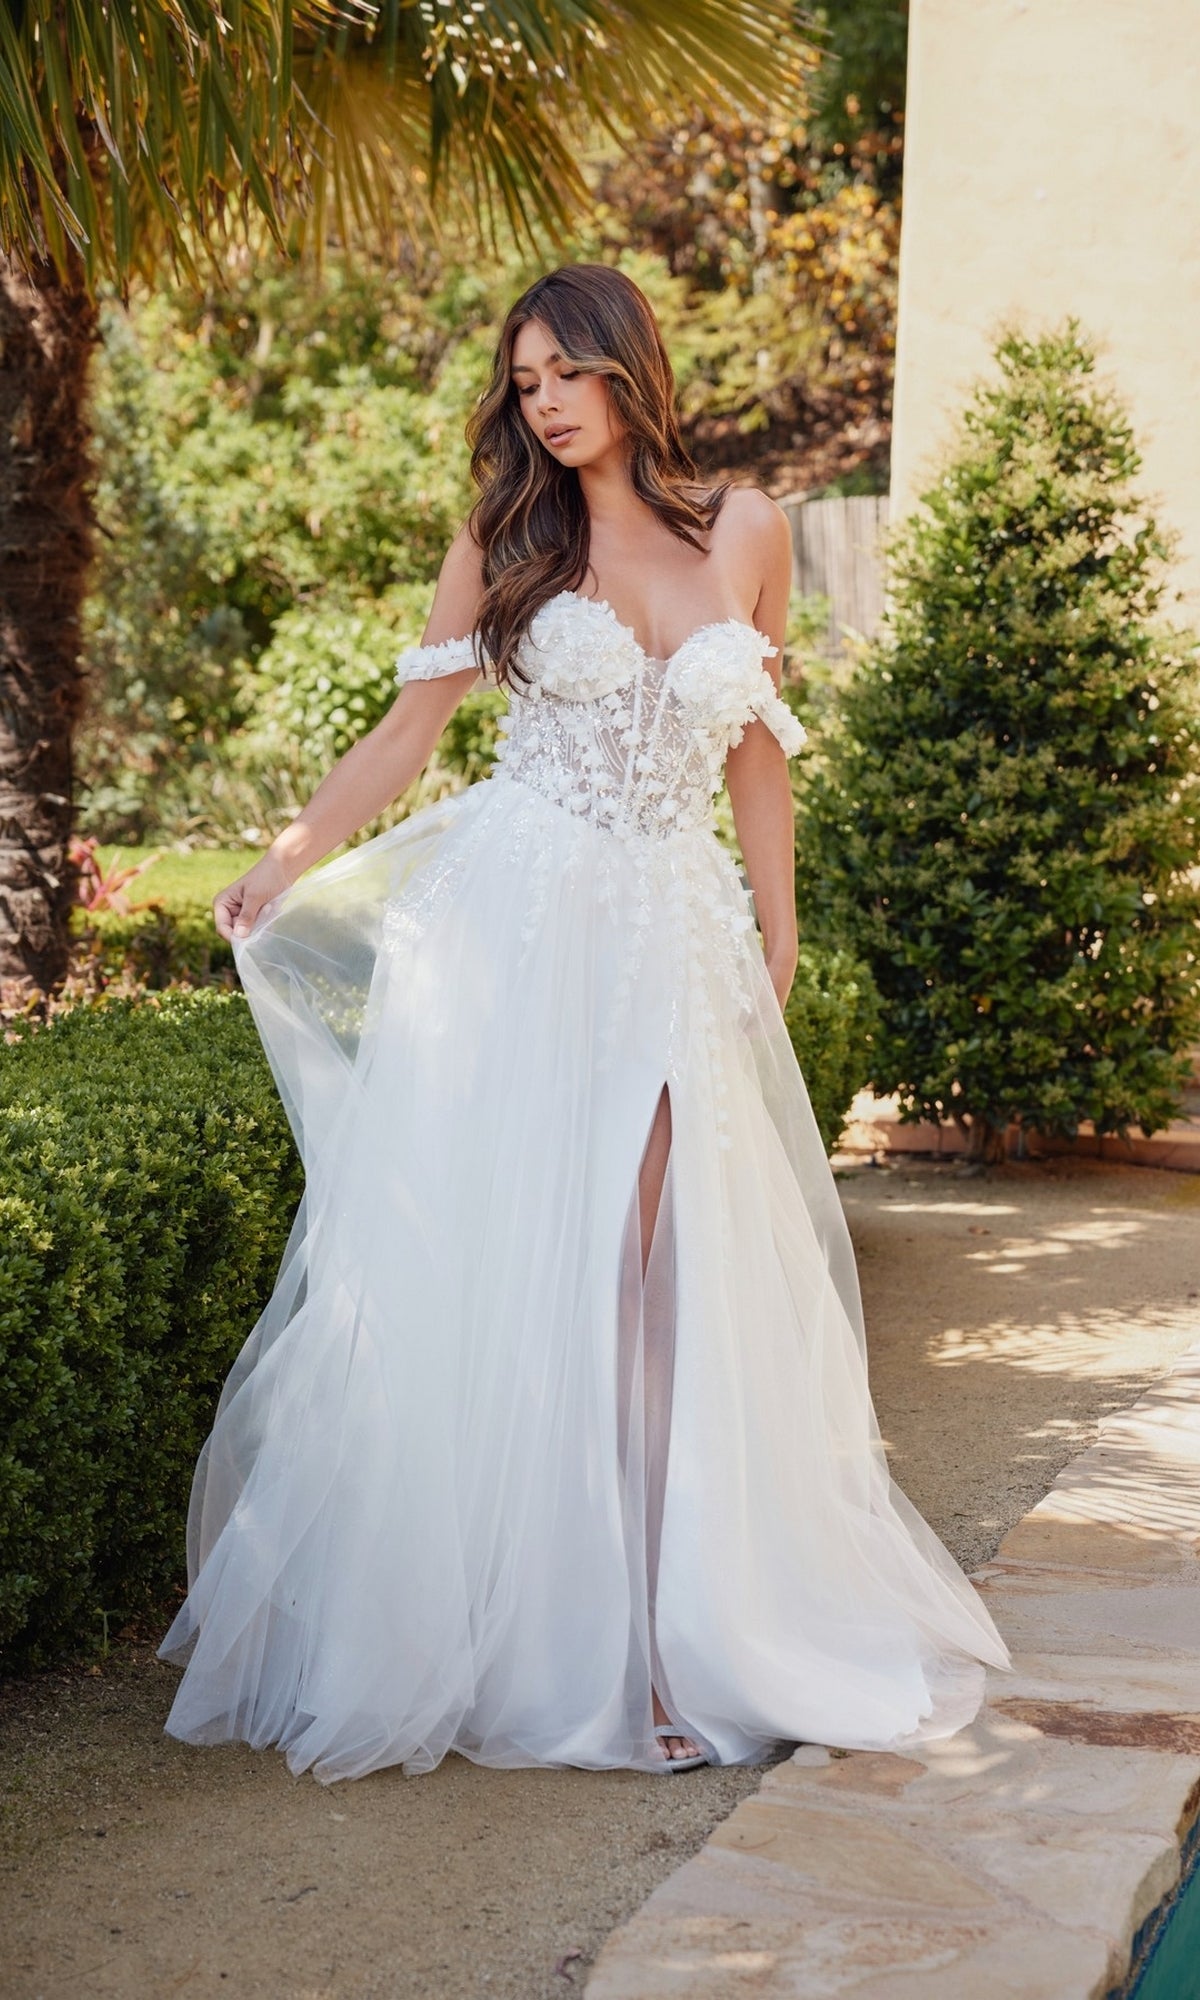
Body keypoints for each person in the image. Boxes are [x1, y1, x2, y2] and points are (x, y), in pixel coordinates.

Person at [159, 264, 1008, 1783]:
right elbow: (409, 736)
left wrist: (780, 926)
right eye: (524, 380)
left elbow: (758, 750)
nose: (544, 403)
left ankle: (662, 1638)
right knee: (528, 1261)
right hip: (517, 927)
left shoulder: (746, 526)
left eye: (567, 372)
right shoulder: (505, 536)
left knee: (654, 1272)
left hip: (669, 932)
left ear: (630, 366)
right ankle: (538, 1630)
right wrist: (289, 859)